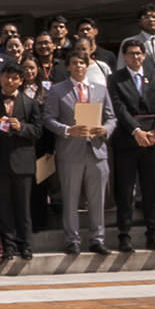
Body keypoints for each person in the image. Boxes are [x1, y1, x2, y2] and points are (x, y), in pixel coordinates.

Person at [43, 54, 114, 256]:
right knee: (70, 198)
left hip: (97, 150)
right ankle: (72, 239)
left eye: (82, 63)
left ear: (87, 65)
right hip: (71, 151)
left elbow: (111, 117)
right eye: (74, 63)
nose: (78, 66)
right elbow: (48, 118)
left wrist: (105, 129)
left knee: (97, 199)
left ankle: (97, 239)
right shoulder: (58, 90)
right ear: (68, 67)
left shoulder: (100, 89)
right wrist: (67, 130)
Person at [109, 39, 155, 251]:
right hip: (127, 140)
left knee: (151, 190)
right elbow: (119, 108)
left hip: (152, 141)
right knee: (125, 190)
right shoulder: (116, 79)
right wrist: (136, 131)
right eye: (131, 53)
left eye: (139, 53)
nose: (135, 57)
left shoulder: (154, 77)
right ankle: (124, 235)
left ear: (144, 55)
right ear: (124, 56)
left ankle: (153, 234)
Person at [0, 66, 42, 261]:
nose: (9, 82)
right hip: (0, 161)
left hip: (23, 161)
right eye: (6, 77)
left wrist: (21, 127)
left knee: (23, 206)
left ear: (20, 81)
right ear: (0, 78)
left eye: (14, 78)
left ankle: (26, 244)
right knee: (4, 206)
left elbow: (38, 131)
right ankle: (9, 245)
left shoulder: (30, 103)